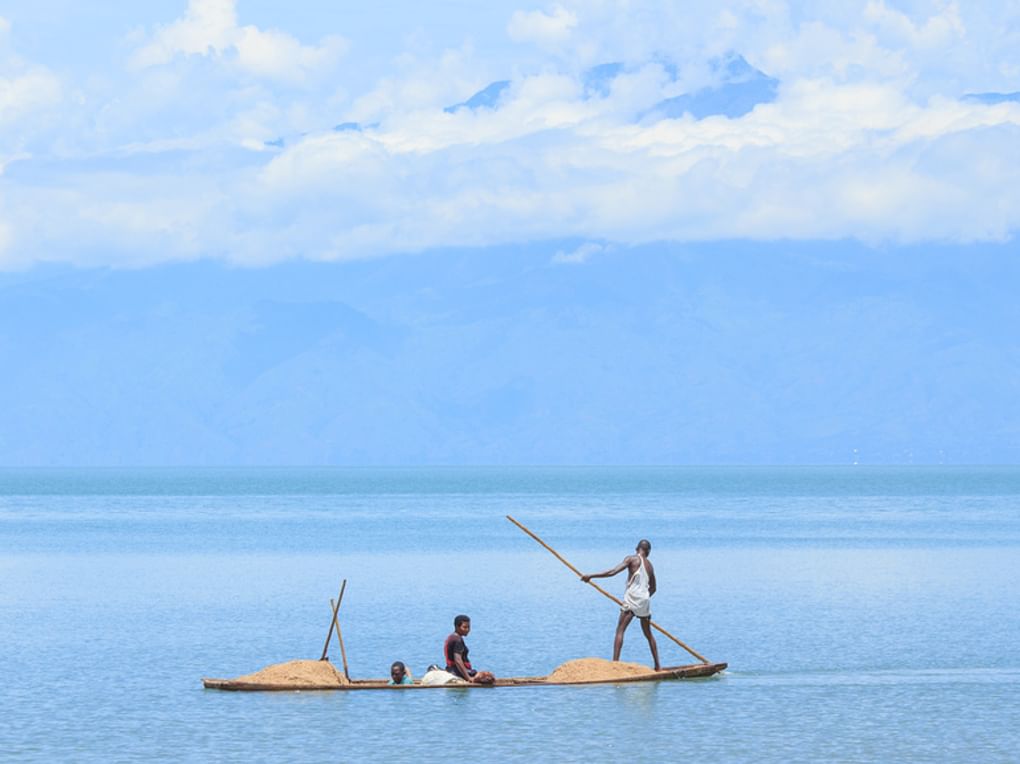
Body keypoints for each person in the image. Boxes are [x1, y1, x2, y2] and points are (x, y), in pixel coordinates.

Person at [581, 539, 661, 671]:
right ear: (648, 552)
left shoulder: (631, 559)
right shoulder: (650, 565)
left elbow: (612, 572)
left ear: (637, 549)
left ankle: (615, 665)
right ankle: (658, 666)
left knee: (620, 630)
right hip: (645, 599)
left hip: (632, 598)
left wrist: (591, 576)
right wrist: (643, 599)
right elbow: (653, 588)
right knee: (648, 634)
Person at [443, 614, 494, 684]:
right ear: (457, 627)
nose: (467, 630)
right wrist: (468, 678)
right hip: (456, 671)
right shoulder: (458, 640)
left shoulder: (451, 637)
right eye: (464, 627)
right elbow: (458, 660)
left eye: (469, 627)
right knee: (489, 677)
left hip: (451, 669)